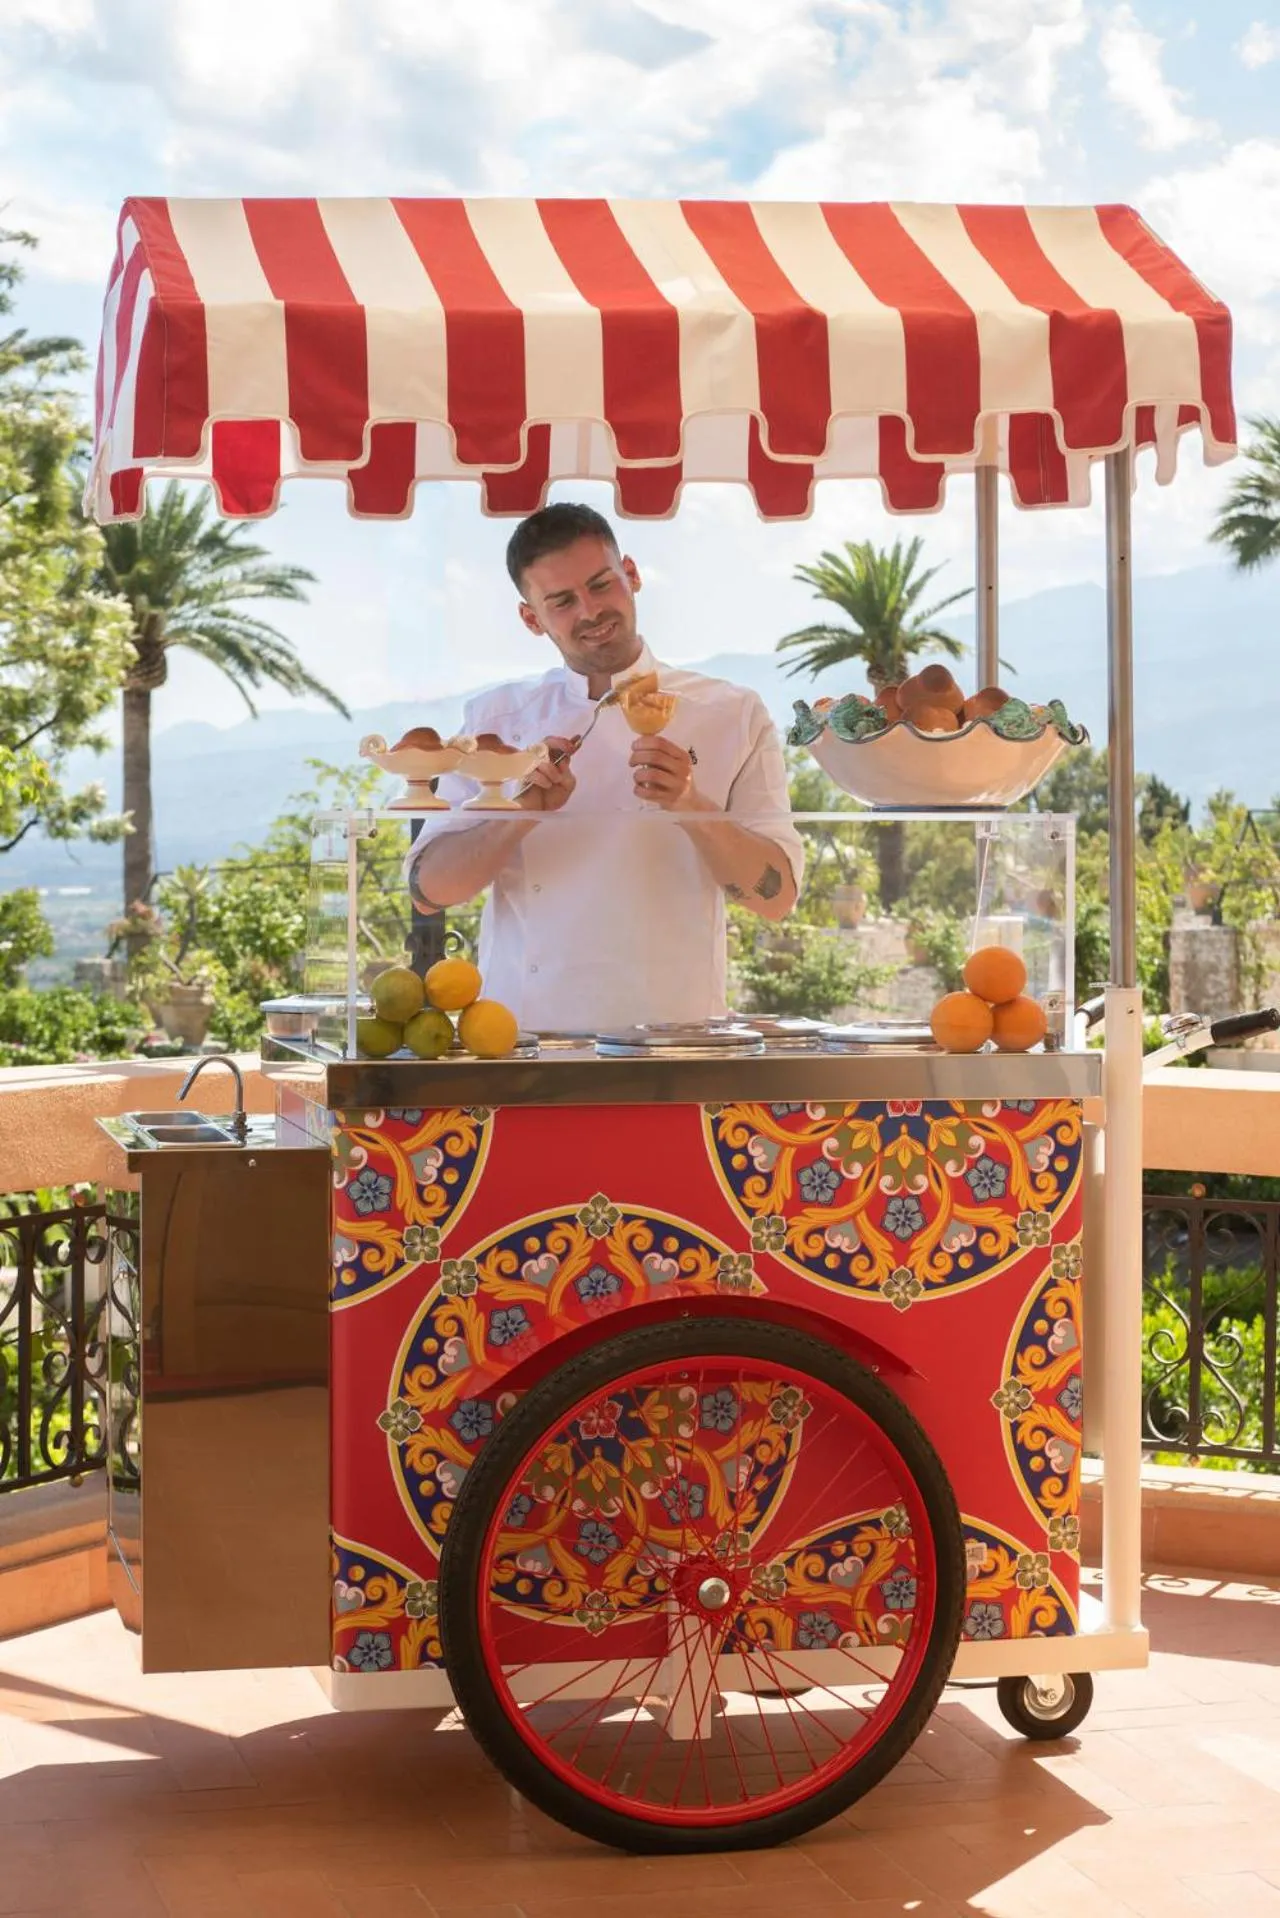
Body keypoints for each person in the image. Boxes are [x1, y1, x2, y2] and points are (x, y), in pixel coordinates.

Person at [406, 502, 804, 1032]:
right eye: (562, 601)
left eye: (601, 585)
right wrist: (521, 812)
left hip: (677, 1040)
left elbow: (776, 898)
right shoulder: (494, 722)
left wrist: (690, 804)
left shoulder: (733, 712)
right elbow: (429, 889)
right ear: (531, 618)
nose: (590, 612)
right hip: (523, 1038)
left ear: (632, 575)